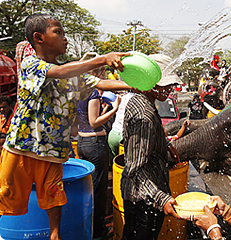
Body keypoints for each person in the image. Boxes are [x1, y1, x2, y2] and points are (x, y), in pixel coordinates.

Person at [0, 13, 133, 240]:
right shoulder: (32, 65)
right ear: (38, 38)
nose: (65, 38)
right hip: (22, 146)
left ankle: (55, 236)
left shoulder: (73, 73)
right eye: (58, 32)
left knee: (54, 199)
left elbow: (100, 83)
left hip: (52, 151)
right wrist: (102, 59)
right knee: (5, 194)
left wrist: (134, 85)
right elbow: (58, 72)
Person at [121, 53, 183, 240]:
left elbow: (139, 144)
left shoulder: (140, 101)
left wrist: (163, 143)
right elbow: (135, 168)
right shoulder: (144, 116)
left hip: (140, 193)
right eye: (167, 84)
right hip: (144, 198)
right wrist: (160, 198)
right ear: (149, 82)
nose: (171, 88)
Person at [76, 65, 120, 238]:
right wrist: (115, 109)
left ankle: (88, 224)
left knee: (88, 187)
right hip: (95, 143)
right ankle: (98, 230)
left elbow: (87, 117)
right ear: (96, 75)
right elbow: (94, 122)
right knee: (98, 189)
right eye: (102, 74)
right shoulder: (93, 92)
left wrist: (105, 109)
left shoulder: (81, 91)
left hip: (82, 142)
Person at [107, 91, 135, 161]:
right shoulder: (137, 100)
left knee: (114, 163)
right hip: (125, 136)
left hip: (113, 134)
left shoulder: (121, 97)